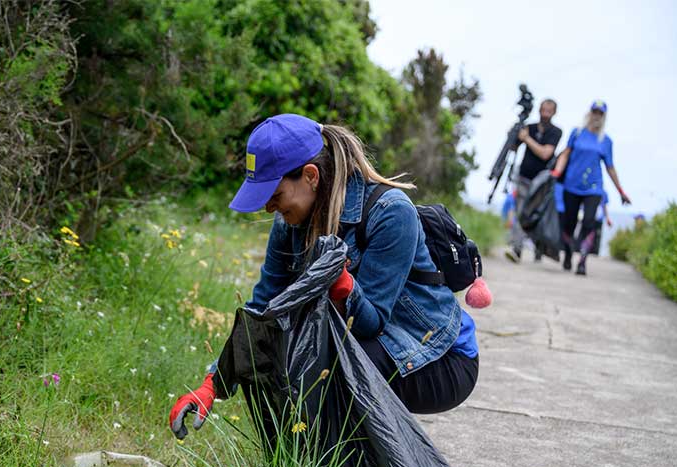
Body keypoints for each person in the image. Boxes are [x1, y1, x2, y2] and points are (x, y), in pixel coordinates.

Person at [169, 114, 480, 439]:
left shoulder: (390, 213)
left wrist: (343, 286)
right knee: (279, 356)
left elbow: (370, 324)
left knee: (331, 369)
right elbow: (262, 310)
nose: (268, 209)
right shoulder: (288, 224)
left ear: (310, 176)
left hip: (438, 358)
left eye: (274, 197)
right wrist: (213, 385)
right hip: (373, 348)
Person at [552, 100, 631, 275]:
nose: (596, 115)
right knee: (568, 224)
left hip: (594, 188)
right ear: (589, 113)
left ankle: (582, 261)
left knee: (589, 222)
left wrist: (621, 191)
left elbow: (610, 167)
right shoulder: (577, 133)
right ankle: (568, 254)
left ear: (604, 116)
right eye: (594, 111)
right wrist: (557, 172)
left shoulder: (606, 141)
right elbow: (565, 154)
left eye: (600, 113)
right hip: (571, 185)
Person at [505, 98, 562, 264]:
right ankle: (517, 248)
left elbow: (545, 153)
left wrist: (527, 139)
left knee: (535, 215)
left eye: (548, 111)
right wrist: (514, 135)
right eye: (543, 110)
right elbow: (513, 147)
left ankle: (539, 248)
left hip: (541, 182)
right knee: (521, 212)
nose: (545, 114)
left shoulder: (555, 132)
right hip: (524, 176)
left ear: (554, 113)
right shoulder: (528, 127)